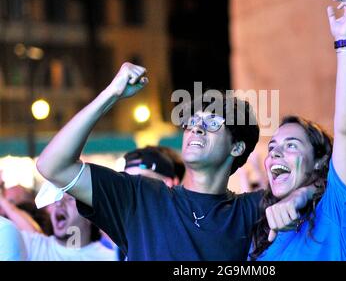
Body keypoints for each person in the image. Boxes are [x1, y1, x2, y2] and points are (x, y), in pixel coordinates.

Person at [36, 63, 310, 260]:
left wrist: (300, 196)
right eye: (192, 123)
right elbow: (52, 166)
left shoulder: (249, 209)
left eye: (212, 122)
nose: (196, 129)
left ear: (237, 147)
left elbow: (333, 186)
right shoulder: (141, 197)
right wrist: (111, 94)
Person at [250, 0, 346, 261]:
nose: (276, 152)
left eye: (291, 145)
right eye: (273, 148)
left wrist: (344, 44)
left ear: (319, 160)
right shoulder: (264, 230)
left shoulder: (339, 212)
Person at [21, 193, 116, 261]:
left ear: (90, 214)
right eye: (56, 198)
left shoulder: (111, 258)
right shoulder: (30, 245)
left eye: (70, 198)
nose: (59, 204)